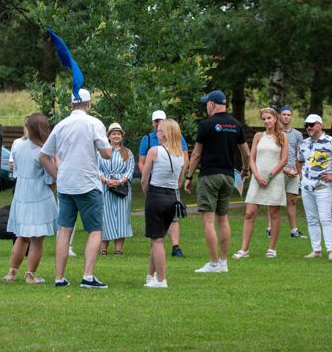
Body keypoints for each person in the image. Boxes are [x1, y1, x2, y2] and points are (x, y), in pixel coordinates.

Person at [39, 89, 113, 289]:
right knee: (95, 230)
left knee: (64, 230)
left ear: (71, 105)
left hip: (66, 185)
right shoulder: (93, 123)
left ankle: (59, 277)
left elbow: (44, 156)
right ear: (88, 104)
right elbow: (106, 154)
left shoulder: (61, 125)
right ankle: (88, 276)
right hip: (88, 184)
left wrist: (57, 176)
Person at [184, 90, 251, 274]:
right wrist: (245, 169)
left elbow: (196, 154)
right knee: (223, 219)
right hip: (229, 177)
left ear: (212, 104)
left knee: (208, 220)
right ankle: (223, 262)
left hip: (210, 175)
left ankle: (213, 264)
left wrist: (189, 177)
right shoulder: (236, 125)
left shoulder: (206, 125)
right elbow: (246, 152)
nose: (206, 106)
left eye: (207, 103)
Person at [3, 113, 58, 284]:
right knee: (36, 239)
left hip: (21, 194)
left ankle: (11, 273)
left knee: (22, 236)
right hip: (39, 195)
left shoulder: (18, 146)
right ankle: (30, 275)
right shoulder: (44, 151)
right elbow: (50, 178)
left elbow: (16, 171)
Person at [233, 107, 288, 259]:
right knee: (249, 213)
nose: (266, 121)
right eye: (264, 119)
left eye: (269, 118)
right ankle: (244, 249)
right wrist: (256, 175)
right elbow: (251, 157)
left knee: (274, 212)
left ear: (275, 118)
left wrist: (270, 176)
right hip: (258, 178)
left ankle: (272, 248)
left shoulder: (282, 136)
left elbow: (284, 159)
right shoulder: (258, 136)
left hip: (274, 178)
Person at [140, 118, 185, 288]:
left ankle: (161, 280)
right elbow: (179, 180)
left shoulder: (154, 151)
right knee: (158, 237)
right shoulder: (180, 154)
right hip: (172, 197)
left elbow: (144, 178)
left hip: (156, 194)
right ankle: (151, 275)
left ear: (164, 134)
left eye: (159, 130)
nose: (156, 133)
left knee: (156, 240)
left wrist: (148, 195)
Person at [297, 113, 332, 261]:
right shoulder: (304, 143)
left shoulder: (331, 142)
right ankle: (316, 250)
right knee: (311, 219)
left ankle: (331, 250)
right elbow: (299, 160)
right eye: (306, 125)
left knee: (325, 219)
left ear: (320, 125)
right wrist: (302, 176)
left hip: (323, 187)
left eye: (311, 125)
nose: (308, 128)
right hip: (306, 188)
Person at [98, 122, 134, 256]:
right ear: (108, 136)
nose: (116, 136)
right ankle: (103, 248)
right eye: (113, 133)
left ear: (122, 136)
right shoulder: (101, 152)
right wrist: (106, 181)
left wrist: (119, 181)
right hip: (105, 187)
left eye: (118, 133)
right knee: (105, 217)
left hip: (122, 188)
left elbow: (129, 171)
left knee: (121, 217)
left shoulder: (127, 153)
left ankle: (118, 249)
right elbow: (97, 169)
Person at [278, 105, 305, 239]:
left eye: (289, 114)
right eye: (284, 114)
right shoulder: (275, 132)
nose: (286, 117)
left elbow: (299, 154)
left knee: (292, 200)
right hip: (279, 171)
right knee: (275, 200)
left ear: (291, 116)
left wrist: (298, 171)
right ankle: (270, 229)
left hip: (293, 171)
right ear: (279, 116)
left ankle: (294, 231)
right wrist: (283, 168)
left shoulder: (298, 134)